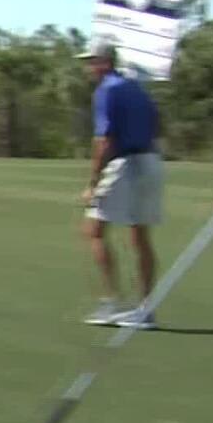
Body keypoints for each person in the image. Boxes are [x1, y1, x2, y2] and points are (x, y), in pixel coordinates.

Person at [76, 41, 165, 328]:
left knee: (94, 230)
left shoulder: (107, 89)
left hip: (124, 164)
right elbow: (156, 125)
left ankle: (111, 303)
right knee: (141, 236)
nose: (89, 67)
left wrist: (93, 182)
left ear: (105, 62)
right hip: (150, 161)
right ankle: (145, 310)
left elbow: (104, 140)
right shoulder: (137, 87)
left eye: (92, 62)